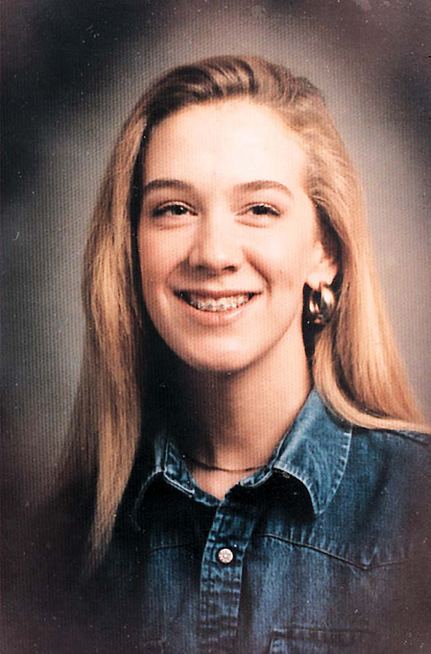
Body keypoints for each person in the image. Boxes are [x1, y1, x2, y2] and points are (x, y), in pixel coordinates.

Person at [38, 56, 431, 652]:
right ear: (131, 248)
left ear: (325, 252)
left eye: (260, 209)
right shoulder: (64, 542)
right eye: (174, 209)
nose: (213, 253)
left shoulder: (418, 506)